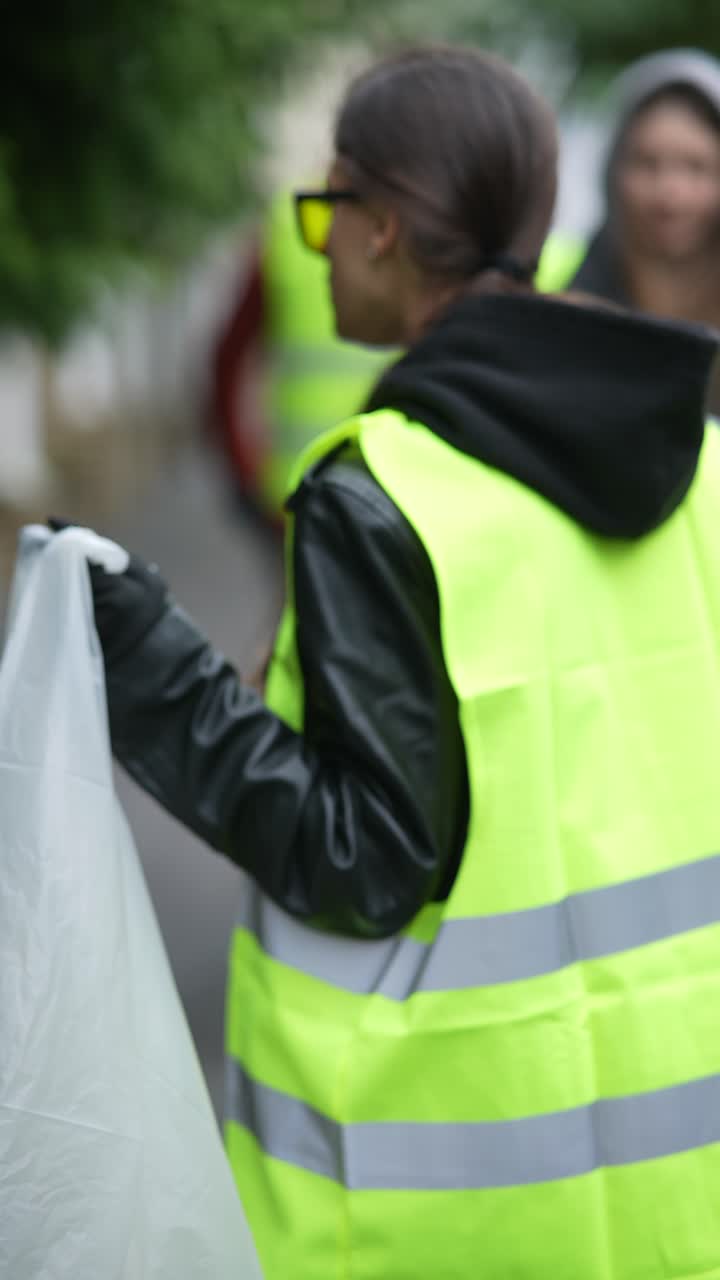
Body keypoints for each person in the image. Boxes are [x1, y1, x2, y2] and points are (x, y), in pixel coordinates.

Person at [55, 45, 720, 1279]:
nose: (315, 243)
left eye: (327, 208)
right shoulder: (702, 464)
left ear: (383, 229)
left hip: (447, 1214)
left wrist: (151, 663)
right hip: (677, 1194)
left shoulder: (385, 495)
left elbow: (362, 856)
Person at [209, 189, 390, 523]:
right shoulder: (420, 214)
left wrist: (243, 470)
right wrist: (245, 469)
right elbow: (228, 361)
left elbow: (227, 359)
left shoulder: (287, 224)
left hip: (306, 493)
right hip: (367, 495)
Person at [571, 48, 720, 408]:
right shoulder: (568, 300)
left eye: (696, 168)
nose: (670, 194)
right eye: (647, 164)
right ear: (612, 170)